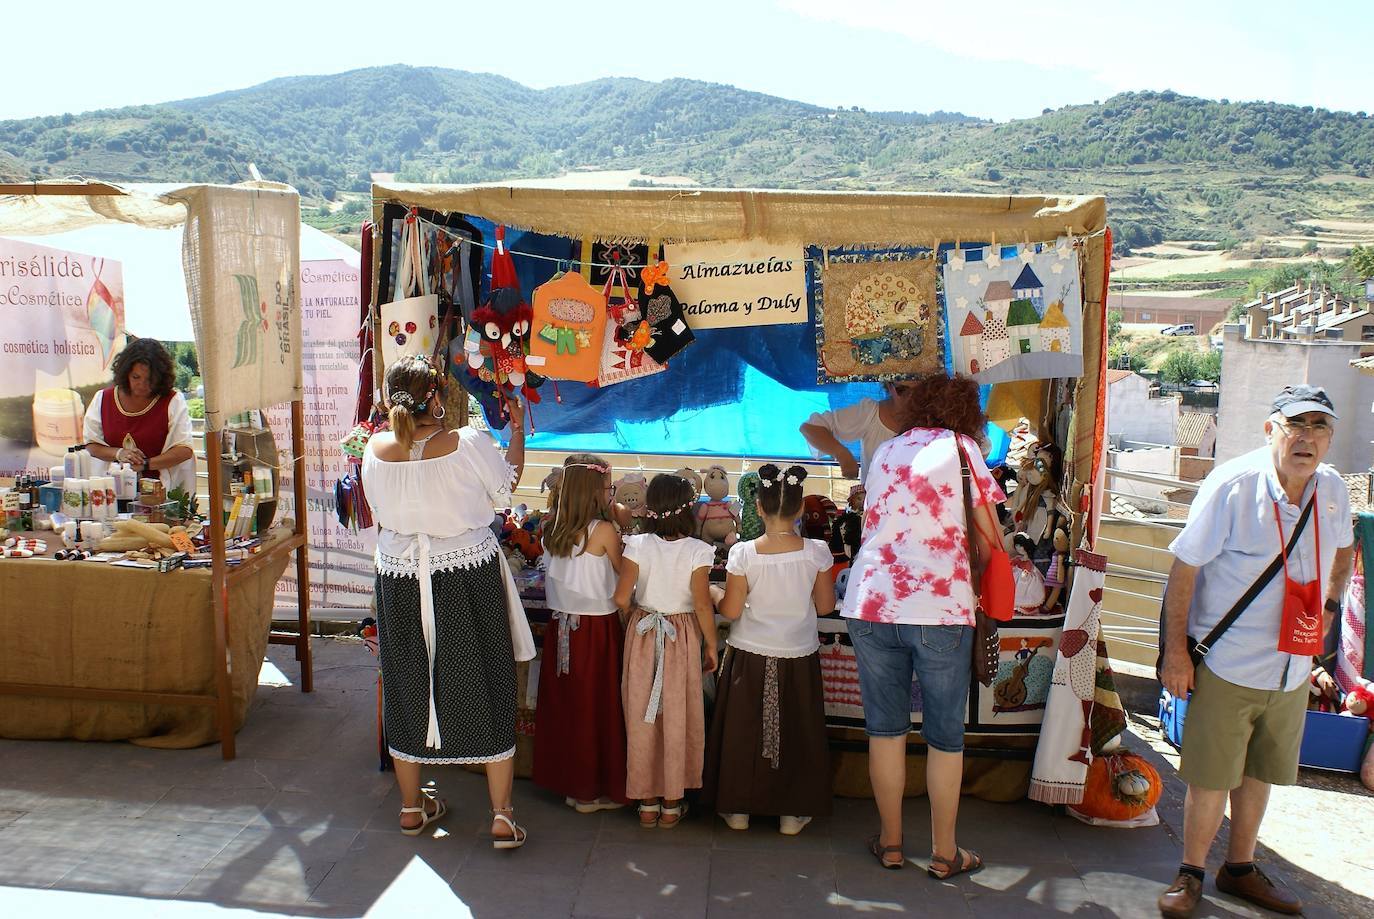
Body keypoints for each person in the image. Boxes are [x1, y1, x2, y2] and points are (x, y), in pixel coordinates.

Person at [1157, 385, 1353, 918]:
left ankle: (1239, 868)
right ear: (1271, 430)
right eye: (1296, 425)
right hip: (1228, 660)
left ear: (1330, 439)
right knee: (1211, 776)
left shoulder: (1332, 489)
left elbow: (1344, 549)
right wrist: (1175, 652)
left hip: (1292, 664)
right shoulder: (1235, 485)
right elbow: (1184, 570)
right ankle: (1190, 872)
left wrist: (1330, 609)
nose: (1307, 437)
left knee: (1260, 771)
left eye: (1319, 427)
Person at [360, 354, 535, 848]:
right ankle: (501, 816)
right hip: (464, 575)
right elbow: (506, 492)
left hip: (398, 578)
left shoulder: (373, 450)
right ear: (436, 396)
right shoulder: (469, 442)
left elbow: (383, 511)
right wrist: (518, 432)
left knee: (406, 680)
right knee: (486, 676)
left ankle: (412, 808)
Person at [841, 373, 1002, 877]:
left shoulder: (887, 451)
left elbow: (872, 523)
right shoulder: (961, 450)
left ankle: (890, 843)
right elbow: (990, 537)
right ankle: (944, 852)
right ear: (964, 413)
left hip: (871, 603)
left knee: (885, 731)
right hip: (939, 607)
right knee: (944, 737)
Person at [702, 463, 835, 835]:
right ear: (798, 510)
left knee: (743, 732)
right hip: (798, 654)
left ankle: (738, 809)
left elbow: (729, 610)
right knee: (797, 730)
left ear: (757, 507)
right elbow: (825, 607)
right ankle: (792, 814)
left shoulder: (744, 553)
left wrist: (713, 593)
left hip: (749, 654)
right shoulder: (817, 553)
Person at [613, 473, 718, 829]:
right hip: (682, 635)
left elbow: (619, 597)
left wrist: (633, 617)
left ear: (650, 507)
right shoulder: (698, 551)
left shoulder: (637, 545)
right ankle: (672, 803)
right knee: (678, 714)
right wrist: (712, 644)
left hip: (643, 634)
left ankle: (646, 802)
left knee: (641, 714)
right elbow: (703, 604)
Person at [533, 453, 629, 814]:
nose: (611, 493)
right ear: (594, 491)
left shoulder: (550, 527)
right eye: (609, 487)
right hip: (597, 631)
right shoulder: (603, 531)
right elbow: (625, 576)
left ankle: (571, 784)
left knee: (569, 707)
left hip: (562, 627)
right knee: (597, 709)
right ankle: (590, 790)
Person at [82, 337, 196, 496]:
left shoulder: (172, 401)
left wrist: (146, 464)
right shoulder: (103, 399)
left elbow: (184, 450)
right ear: (125, 373)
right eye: (136, 377)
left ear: (160, 377)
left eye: (150, 379)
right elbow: (91, 445)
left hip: (161, 494)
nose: (142, 385)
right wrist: (119, 453)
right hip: (113, 494)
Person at [798, 381, 910, 491]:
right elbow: (810, 428)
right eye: (903, 390)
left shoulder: (927, 420)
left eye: (922, 389)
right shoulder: (871, 414)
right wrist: (841, 453)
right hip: (876, 504)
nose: (912, 396)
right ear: (889, 386)